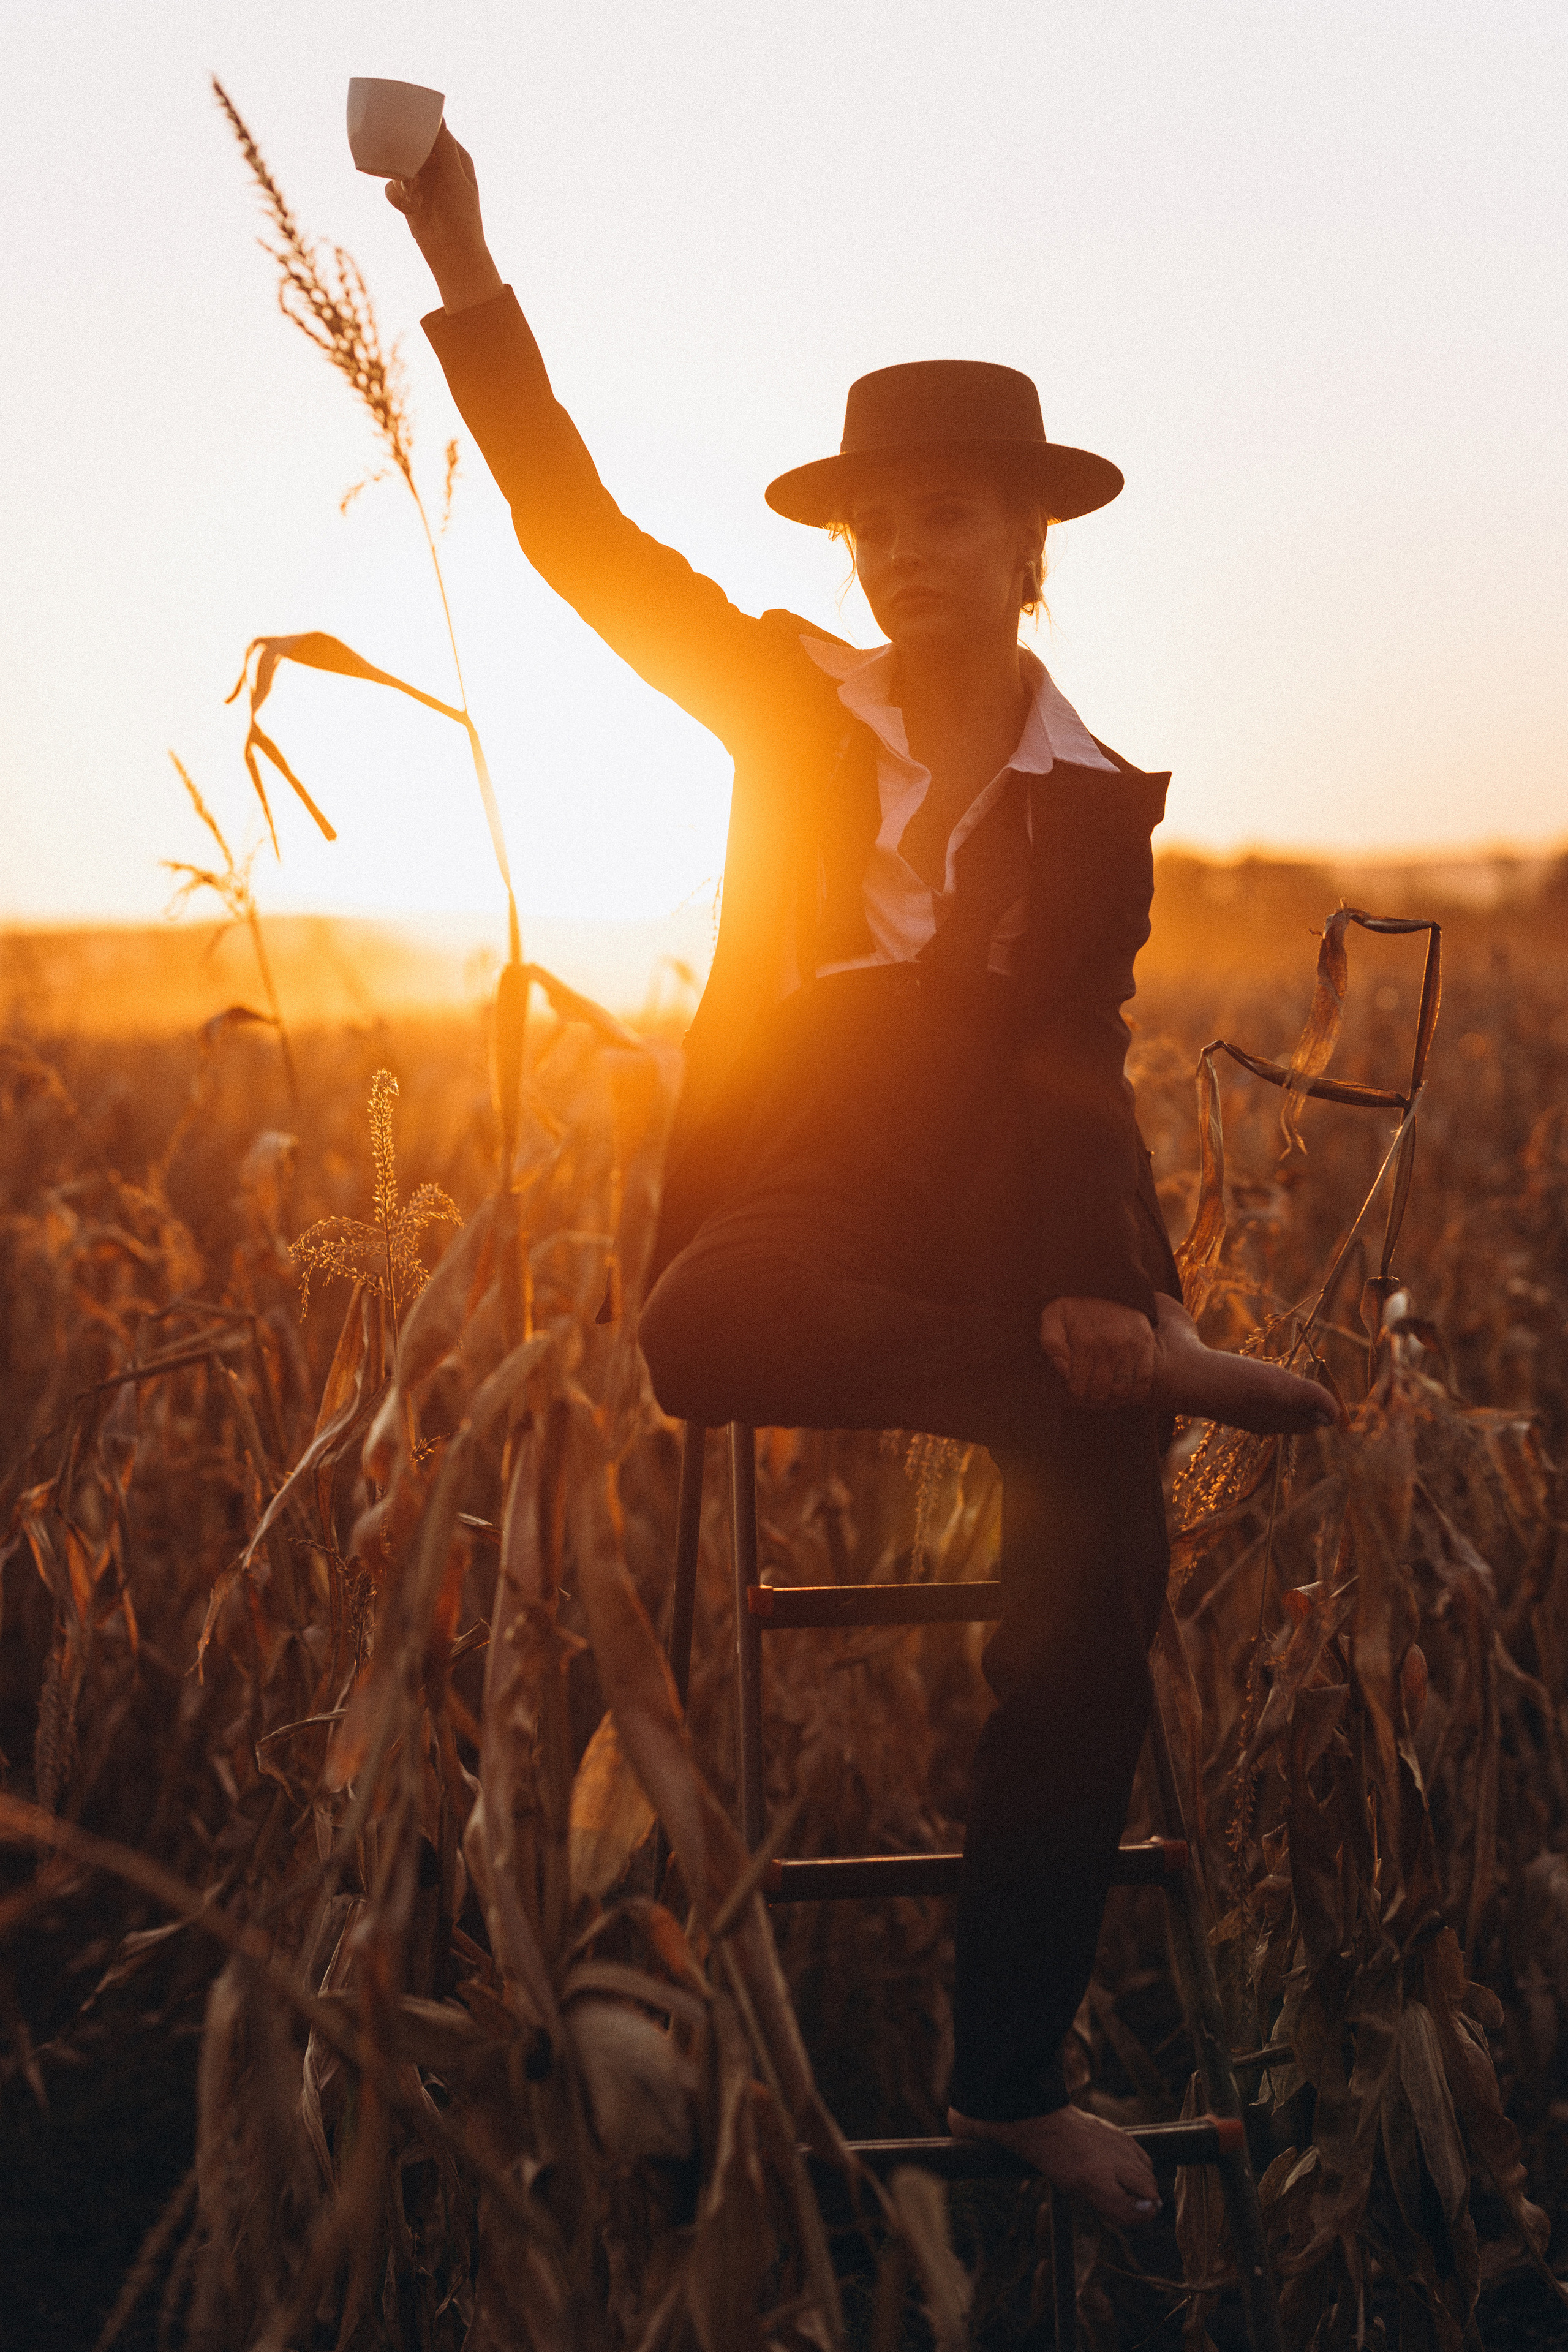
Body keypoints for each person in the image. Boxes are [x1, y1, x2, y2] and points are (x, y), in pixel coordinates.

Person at [391, 129, 1334, 2228]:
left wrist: (1098, 1279)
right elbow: (576, 531)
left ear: (1028, 548)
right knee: (694, 1328)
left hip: (1012, 1187)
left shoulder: (1093, 803)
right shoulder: (784, 697)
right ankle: (1105, 1365)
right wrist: (456, 247)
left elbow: (1067, 1061)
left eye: (953, 519)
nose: (911, 551)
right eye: (881, 521)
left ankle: (1010, 2079)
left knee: (1098, 1574)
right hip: (820, 1153)